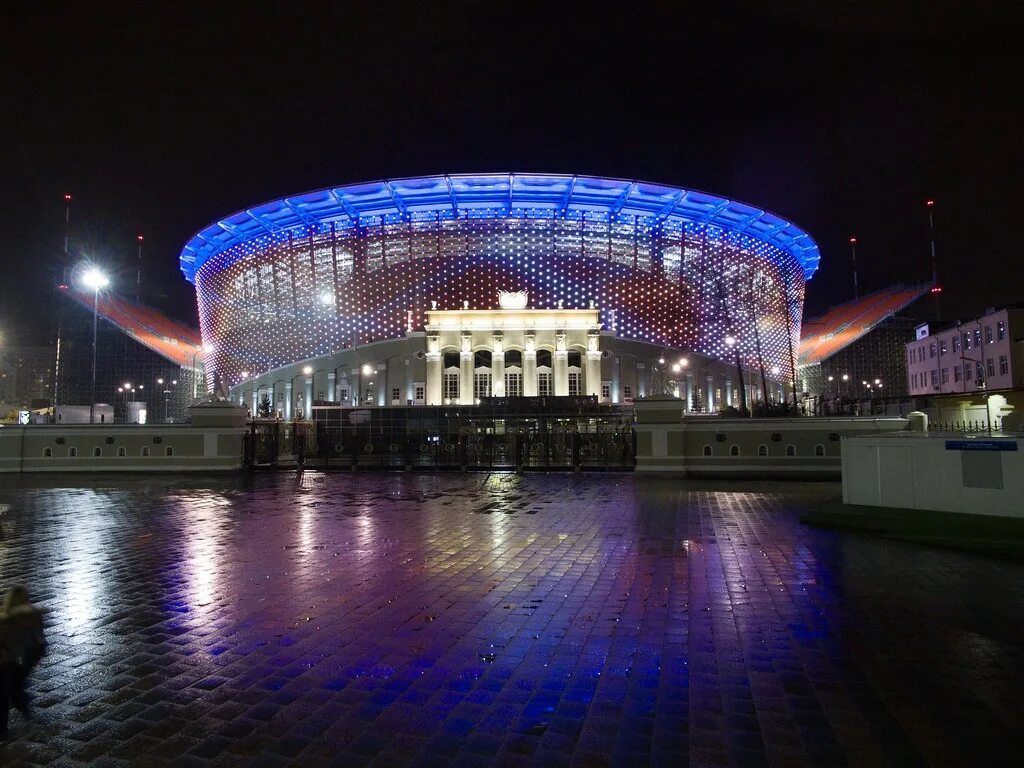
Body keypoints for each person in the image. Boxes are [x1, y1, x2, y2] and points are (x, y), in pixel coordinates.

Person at [0, 585, 47, 740]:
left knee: (9, 689)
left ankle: (4, 729)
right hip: (15, 658)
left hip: (12, 659)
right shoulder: (31, 616)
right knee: (12, 687)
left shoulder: (9, 619)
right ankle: (22, 707)